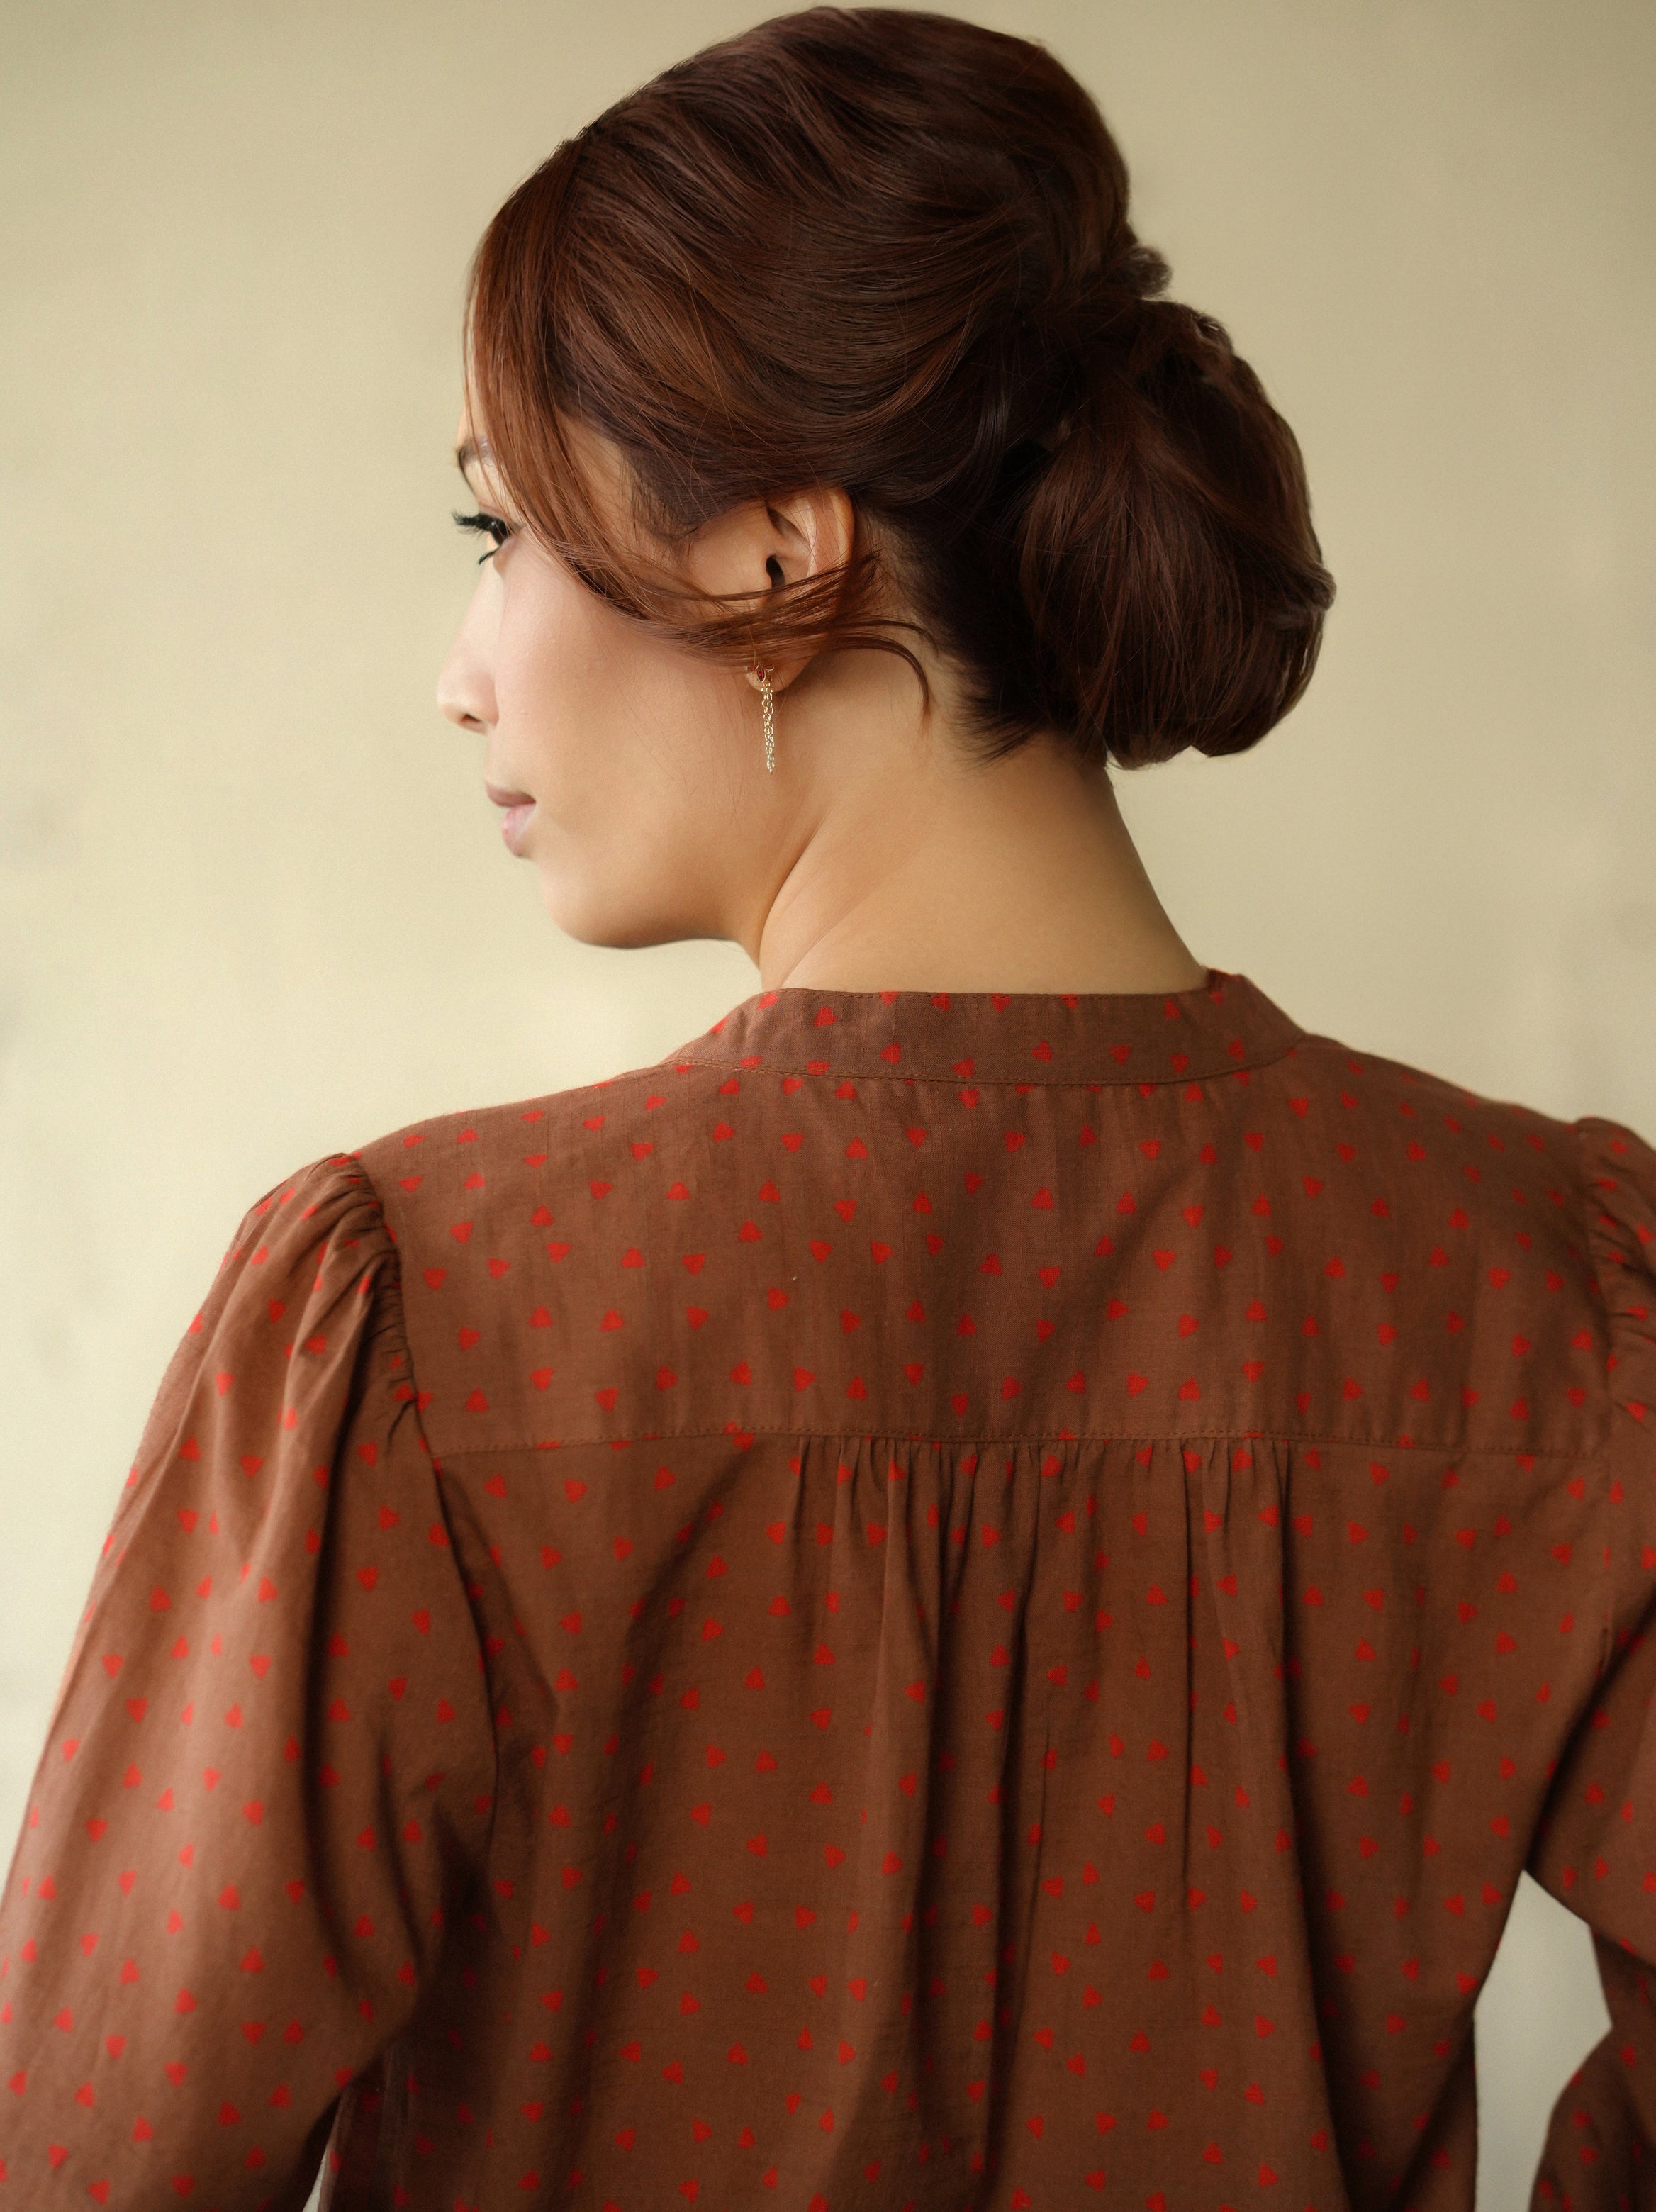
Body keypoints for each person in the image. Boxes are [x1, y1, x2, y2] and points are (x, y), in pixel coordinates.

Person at [1, 9, 1650, 2208]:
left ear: (780, 553)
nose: (461, 665)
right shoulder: (1548, 1289)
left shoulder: (420, 1320)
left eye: (502, 528)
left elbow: (91, 2156)